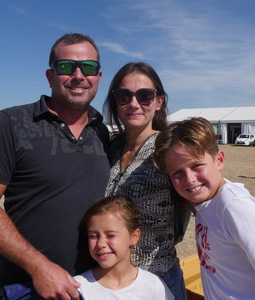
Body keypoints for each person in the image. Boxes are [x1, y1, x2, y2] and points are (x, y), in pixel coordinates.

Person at [0, 33, 110, 300]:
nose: (78, 75)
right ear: (50, 75)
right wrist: (39, 266)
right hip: (29, 285)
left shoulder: (101, 132)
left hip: (93, 286)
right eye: (67, 67)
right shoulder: (12, 123)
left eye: (88, 67)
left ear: (98, 77)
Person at [103, 62, 189, 300]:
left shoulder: (169, 148)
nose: (134, 104)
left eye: (144, 96)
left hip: (158, 280)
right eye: (124, 95)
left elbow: (206, 190)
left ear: (159, 101)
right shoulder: (109, 148)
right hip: (112, 280)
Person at [153, 117, 255, 299]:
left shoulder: (234, 206)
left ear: (219, 160)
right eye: (177, 173)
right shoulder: (206, 203)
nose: (190, 179)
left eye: (197, 165)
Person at [74, 195, 175, 299]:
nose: (100, 244)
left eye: (110, 235)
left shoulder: (154, 286)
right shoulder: (78, 288)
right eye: (93, 236)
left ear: (134, 237)